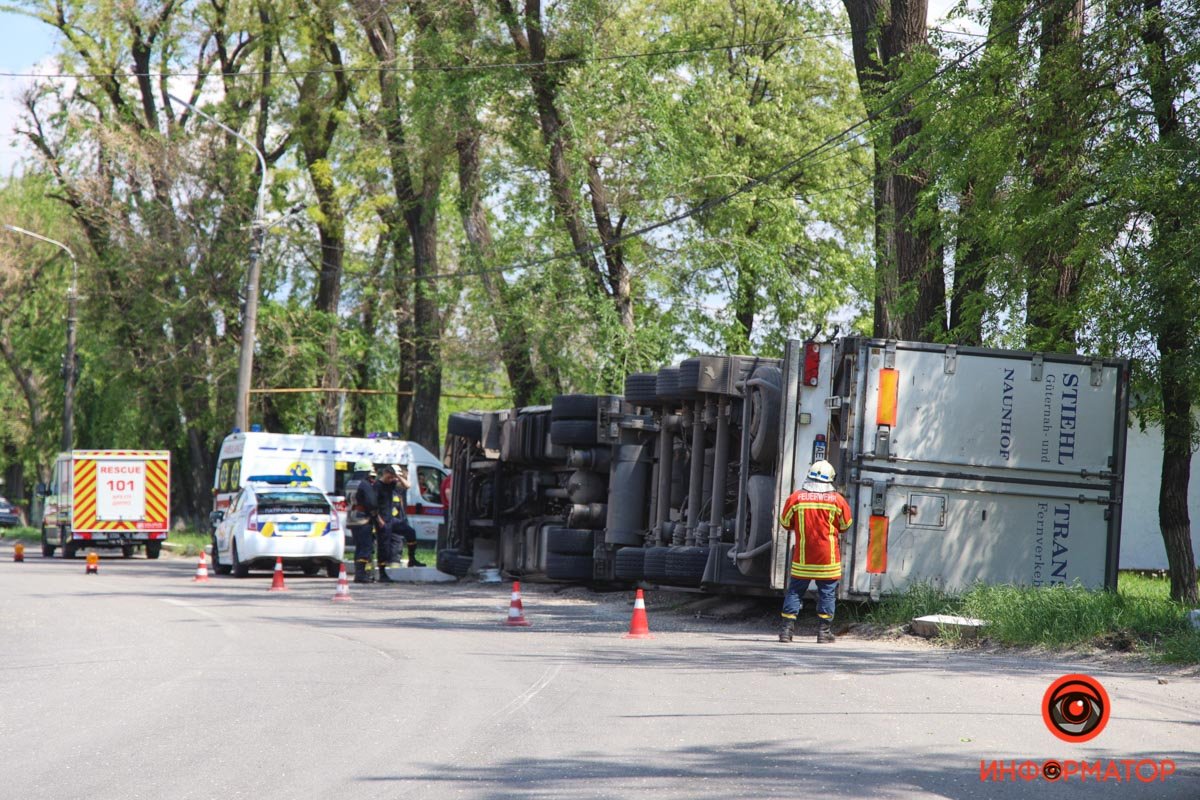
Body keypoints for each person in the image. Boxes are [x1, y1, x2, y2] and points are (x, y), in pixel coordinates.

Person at [778, 459, 853, 644]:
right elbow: (845, 525)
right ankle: (823, 632)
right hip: (828, 558)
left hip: (803, 558)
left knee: (795, 592)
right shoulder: (837, 500)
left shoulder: (796, 498)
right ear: (830, 479)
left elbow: (785, 523)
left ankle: (786, 631)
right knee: (827, 594)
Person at [376, 464, 424, 575]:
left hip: (393, 520)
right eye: (390, 477)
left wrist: (397, 475)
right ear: (385, 474)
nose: (392, 479)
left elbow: (407, 485)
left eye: (393, 477)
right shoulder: (378, 486)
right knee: (384, 547)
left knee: (410, 532)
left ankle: (412, 559)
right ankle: (382, 572)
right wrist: (378, 520)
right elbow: (373, 505)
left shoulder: (393, 485)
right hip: (383, 521)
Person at [347, 462, 380, 584]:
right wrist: (375, 515)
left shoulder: (350, 483)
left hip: (352, 518)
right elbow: (371, 502)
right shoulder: (364, 484)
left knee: (359, 547)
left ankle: (359, 573)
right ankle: (361, 574)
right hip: (363, 519)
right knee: (366, 547)